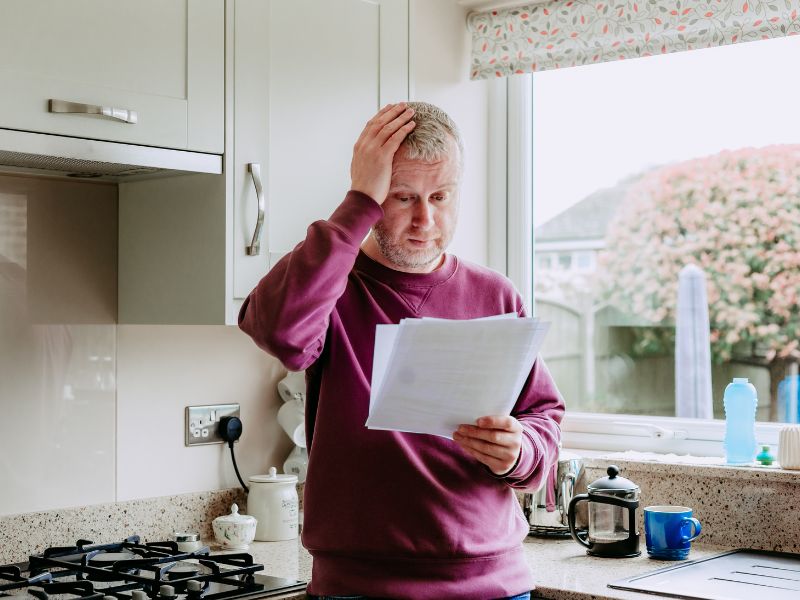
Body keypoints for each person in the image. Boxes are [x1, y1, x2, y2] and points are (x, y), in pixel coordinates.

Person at [239, 102, 565, 600]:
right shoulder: (334, 286)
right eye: (402, 197)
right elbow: (279, 332)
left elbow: (543, 417)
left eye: (441, 195)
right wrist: (357, 201)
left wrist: (520, 451)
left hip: (493, 585)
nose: (425, 220)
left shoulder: (497, 295)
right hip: (358, 588)